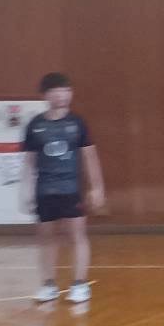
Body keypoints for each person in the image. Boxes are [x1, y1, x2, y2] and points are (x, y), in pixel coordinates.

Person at [20, 73, 104, 304]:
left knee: (77, 236)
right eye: (56, 90)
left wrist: (97, 187)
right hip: (44, 191)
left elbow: (90, 157)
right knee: (46, 239)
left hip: (71, 189)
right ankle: (48, 285)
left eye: (66, 90)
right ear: (46, 95)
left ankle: (79, 284)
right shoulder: (35, 125)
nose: (62, 95)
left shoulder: (77, 123)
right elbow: (29, 162)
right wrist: (25, 190)